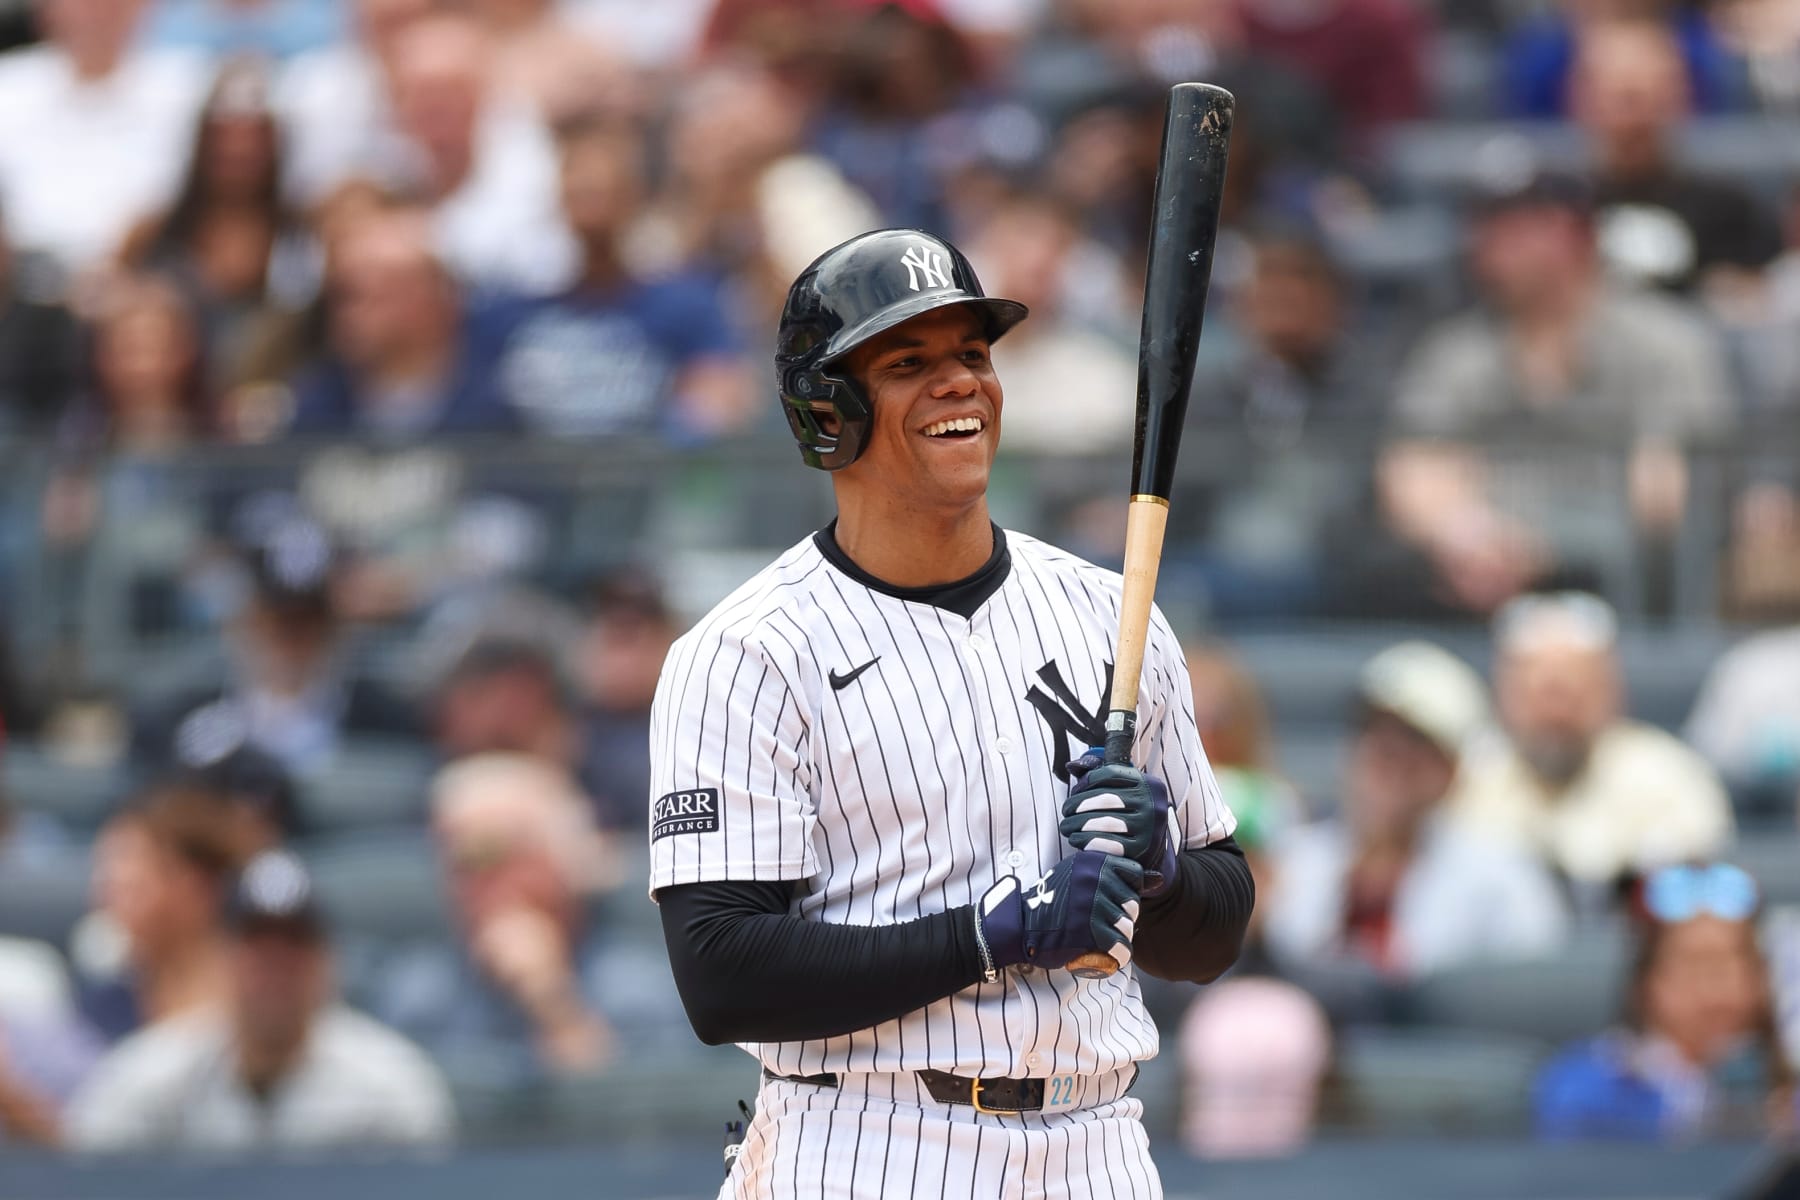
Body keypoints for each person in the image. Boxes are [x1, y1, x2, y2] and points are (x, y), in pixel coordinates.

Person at [651, 229, 1251, 1198]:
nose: (960, 383)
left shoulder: (1110, 612)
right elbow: (723, 973)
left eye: (973, 353)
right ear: (827, 414)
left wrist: (1168, 875)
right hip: (869, 1138)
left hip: (1100, 1141)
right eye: (909, 363)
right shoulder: (745, 653)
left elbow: (1216, 933)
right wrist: (993, 934)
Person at [1378, 172, 1735, 617]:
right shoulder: (1455, 351)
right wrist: (1466, 533)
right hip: (1480, 570)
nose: (1490, 243)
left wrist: (1552, 546)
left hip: (1626, 574)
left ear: (1578, 234)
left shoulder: (1665, 340)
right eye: (1487, 226)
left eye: (1519, 226)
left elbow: (1670, 486)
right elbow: (1415, 469)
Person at [66, 850, 453, 1154]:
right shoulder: (151, 1076)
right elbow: (90, 1171)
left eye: (294, 945)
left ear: (327, 962)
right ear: (219, 956)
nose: (275, 967)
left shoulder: (389, 1087)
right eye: (256, 946)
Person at [1262, 641, 1568, 993]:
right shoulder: (1291, 859)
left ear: (1452, 769)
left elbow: (1529, 994)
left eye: (1414, 743)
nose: (1388, 757)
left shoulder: (1503, 876)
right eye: (1373, 733)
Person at [372, 754, 673, 1082]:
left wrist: (553, 1002)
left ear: (564, 862)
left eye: (490, 855)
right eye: (458, 863)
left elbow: (635, 1118)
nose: (473, 883)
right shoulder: (416, 996)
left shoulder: (644, 995)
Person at [477, 116, 753, 440]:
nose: (593, 209)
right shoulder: (511, 315)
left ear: (632, 199)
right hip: (539, 484)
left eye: (604, 193)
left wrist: (685, 427)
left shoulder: (685, 305)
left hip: (644, 480)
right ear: (559, 201)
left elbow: (720, 393)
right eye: (580, 194)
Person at [1453, 593, 1735, 906]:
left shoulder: (1670, 774)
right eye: (1539, 693)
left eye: (1574, 693)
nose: (1556, 714)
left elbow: (1692, 892)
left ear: (1613, 693)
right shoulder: (1463, 778)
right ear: (1502, 694)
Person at [1534, 862, 1795, 1140]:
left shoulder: (1788, 1094)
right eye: (1694, 966)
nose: (1713, 990)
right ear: (1646, 980)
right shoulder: (1584, 1085)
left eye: (1729, 965)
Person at [117, 59, 318, 393]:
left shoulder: (304, 231)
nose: (238, 150)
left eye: (253, 137)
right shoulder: (152, 230)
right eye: (224, 136)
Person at [1572, 20, 1782, 297]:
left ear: (1682, 97)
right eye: (1624, 99)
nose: (1637, 119)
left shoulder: (1731, 212)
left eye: (1654, 97)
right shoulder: (1561, 216)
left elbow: (1767, 302)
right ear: (1582, 99)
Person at [0, 0, 209, 278]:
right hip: (20, 283)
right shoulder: (8, 86)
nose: (97, 14)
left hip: (151, 275)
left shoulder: (190, 86)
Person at [286, 207, 513, 438]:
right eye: (338, 298)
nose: (345, 315)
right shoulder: (316, 403)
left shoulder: (506, 402)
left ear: (430, 298)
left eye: (361, 295)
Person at [73, 784, 267, 1043]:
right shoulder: (101, 1005)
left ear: (197, 887)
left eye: (131, 888)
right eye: (107, 884)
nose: (105, 901)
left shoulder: (262, 1002)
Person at [576, 570, 678, 832]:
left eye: (632, 638)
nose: (622, 659)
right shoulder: (565, 726)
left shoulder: (690, 724)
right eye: (612, 636)